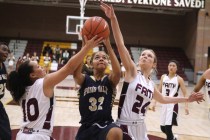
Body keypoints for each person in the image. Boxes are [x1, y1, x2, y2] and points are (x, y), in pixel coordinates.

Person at [100, 2, 204, 140]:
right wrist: (113, 18)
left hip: (141, 127)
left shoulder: (150, 85)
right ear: (138, 60)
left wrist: (187, 99)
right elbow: (120, 44)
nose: (144, 56)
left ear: (154, 64)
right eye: (143, 54)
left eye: (149, 56)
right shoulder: (132, 72)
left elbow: (164, 99)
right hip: (125, 126)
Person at [6, 37, 102, 140]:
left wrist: (20, 71)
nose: (42, 66)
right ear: (32, 75)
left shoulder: (20, 90)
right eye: (38, 66)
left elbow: (18, 80)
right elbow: (69, 67)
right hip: (38, 136)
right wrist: (87, 48)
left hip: (22, 135)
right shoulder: (44, 82)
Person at [73, 36, 123, 140]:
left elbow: (118, 73)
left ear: (108, 63)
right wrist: (85, 47)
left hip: (105, 125)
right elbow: (75, 73)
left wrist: (108, 46)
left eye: (104, 58)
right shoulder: (84, 79)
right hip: (86, 125)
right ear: (90, 64)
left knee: (116, 132)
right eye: (97, 57)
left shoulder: (110, 80)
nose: (101, 59)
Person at [151, 60, 189, 140]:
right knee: (163, 128)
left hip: (173, 105)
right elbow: (158, 91)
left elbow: (185, 94)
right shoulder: (163, 77)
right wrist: (154, 103)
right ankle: (173, 138)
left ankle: (171, 138)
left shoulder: (179, 79)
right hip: (164, 104)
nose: (171, 67)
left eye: (173, 66)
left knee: (168, 128)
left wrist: (186, 106)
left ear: (177, 68)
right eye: (170, 65)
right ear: (168, 67)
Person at [0, 42, 11, 140]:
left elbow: (8, 86)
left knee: (6, 134)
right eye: (4, 49)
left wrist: (17, 72)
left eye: (7, 50)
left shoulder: (3, 65)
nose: (6, 52)